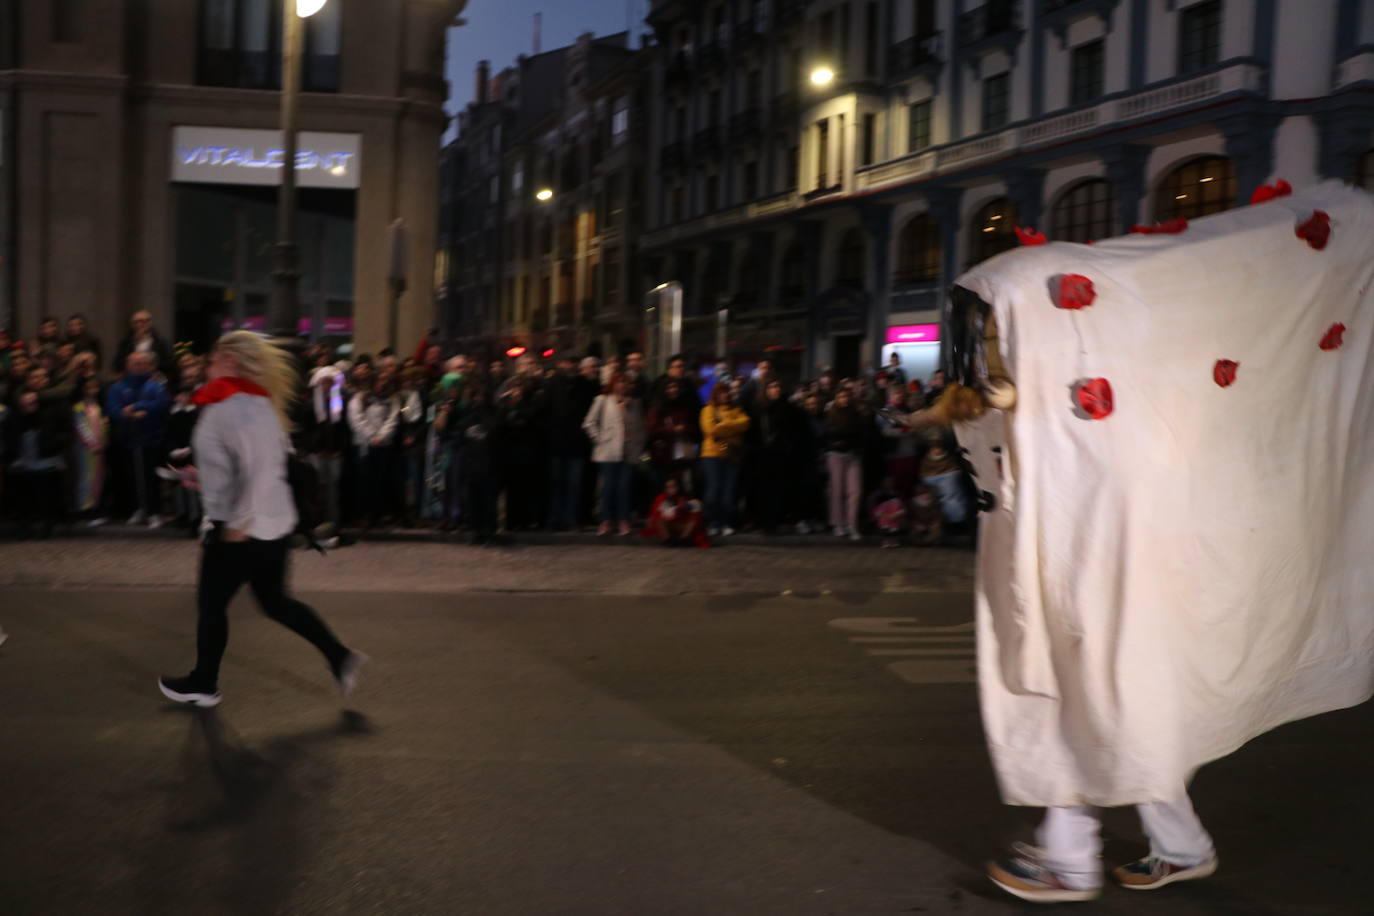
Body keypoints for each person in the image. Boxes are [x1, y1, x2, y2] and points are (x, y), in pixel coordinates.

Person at [157, 330, 366, 708]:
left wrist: (237, 524)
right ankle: (339, 656)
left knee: (212, 604)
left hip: (243, 526)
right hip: (266, 523)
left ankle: (204, 683)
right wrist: (198, 477)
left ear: (232, 362)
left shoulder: (238, 407)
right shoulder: (245, 404)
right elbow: (247, 465)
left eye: (214, 357)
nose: (207, 363)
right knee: (275, 602)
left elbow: (262, 470)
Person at [105, 351, 169, 527]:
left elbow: (161, 403)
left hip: (151, 438)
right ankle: (137, 509)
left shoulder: (155, 385)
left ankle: (154, 512)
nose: (139, 366)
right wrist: (124, 413)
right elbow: (112, 408)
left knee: (151, 477)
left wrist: (138, 407)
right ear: (128, 364)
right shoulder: (117, 387)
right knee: (131, 477)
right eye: (135, 363)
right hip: (128, 439)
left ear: (148, 365)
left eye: (142, 363)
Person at [582, 373, 645, 536]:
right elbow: (589, 423)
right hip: (608, 450)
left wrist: (638, 447)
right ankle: (606, 520)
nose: (622, 386)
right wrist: (600, 439)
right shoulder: (603, 400)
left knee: (624, 488)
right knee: (607, 487)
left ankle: (623, 520)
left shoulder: (634, 403)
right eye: (619, 382)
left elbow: (639, 428)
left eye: (625, 382)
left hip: (628, 451)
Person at [540, 356, 596, 530]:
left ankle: (571, 518)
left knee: (574, 484)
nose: (569, 366)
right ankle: (556, 518)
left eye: (572, 363)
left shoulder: (583, 385)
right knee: (557, 484)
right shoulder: (552, 384)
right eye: (566, 362)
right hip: (557, 443)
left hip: (576, 444)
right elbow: (545, 410)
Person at [4, 390, 69, 537]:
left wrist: (53, 446)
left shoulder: (48, 416)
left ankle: (47, 525)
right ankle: (24, 526)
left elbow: (62, 434)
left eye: (32, 403)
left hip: (45, 461)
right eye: (25, 404)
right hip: (22, 463)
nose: (28, 406)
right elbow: (10, 439)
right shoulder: (15, 418)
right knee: (22, 497)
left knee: (45, 496)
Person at [698, 382, 749, 537]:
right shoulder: (708, 410)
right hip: (711, 454)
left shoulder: (736, 409)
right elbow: (710, 429)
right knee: (714, 488)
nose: (725, 395)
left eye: (727, 392)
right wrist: (732, 428)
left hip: (731, 454)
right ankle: (712, 522)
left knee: (729, 490)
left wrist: (723, 425)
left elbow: (745, 423)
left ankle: (724, 522)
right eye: (721, 392)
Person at [347, 375, 399, 529]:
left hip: (383, 445)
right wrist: (371, 436)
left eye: (385, 381)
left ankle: (378, 514)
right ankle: (364, 515)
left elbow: (393, 419)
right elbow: (357, 419)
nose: (382, 383)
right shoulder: (360, 398)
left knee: (380, 480)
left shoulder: (392, 399)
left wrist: (382, 436)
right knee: (364, 481)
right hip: (365, 445)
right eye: (379, 380)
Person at [822, 387, 864, 540]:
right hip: (836, 454)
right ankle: (838, 523)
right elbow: (829, 434)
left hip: (853, 454)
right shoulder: (831, 415)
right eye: (840, 397)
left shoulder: (855, 414)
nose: (844, 400)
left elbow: (860, 433)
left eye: (846, 396)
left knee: (855, 491)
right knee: (837, 490)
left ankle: (852, 524)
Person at [71, 376, 110, 525]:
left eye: (95, 387)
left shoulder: (97, 406)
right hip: (86, 450)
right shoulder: (79, 407)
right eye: (89, 388)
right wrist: (93, 444)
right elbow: (81, 428)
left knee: (97, 479)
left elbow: (103, 425)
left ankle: (95, 507)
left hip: (98, 449)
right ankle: (84, 509)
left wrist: (103, 441)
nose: (93, 390)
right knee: (85, 478)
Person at [642, 476, 708, 547]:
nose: (671, 489)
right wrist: (676, 509)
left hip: (683, 525)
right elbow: (659, 514)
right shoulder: (662, 498)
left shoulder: (685, 497)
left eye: (674, 486)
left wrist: (685, 507)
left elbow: (697, 507)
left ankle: (684, 539)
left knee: (695, 518)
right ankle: (668, 540)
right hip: (669, 525)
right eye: (668, 487)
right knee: (659, 520)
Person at [113, 311, 175, 379]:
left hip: (154, 379)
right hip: (131, 379)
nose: (141, 324)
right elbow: (117, 364)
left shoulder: (160, 343)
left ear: (150, 323)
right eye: (138, 321)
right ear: (132, 325)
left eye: (146, 321)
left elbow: (168, 364)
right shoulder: (125, 343)